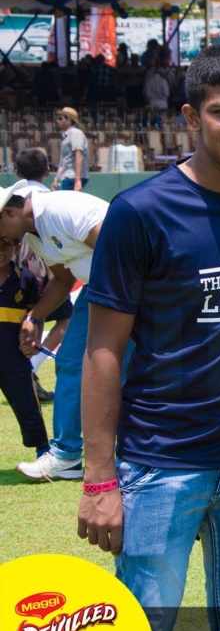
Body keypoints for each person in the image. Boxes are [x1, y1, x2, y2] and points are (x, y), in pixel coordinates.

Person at [75, 43, 220, 631]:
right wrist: (99, 479)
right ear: (192, 117)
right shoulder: (139, 212)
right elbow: (103, 349)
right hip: (160, 465)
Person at [0, 182, 110, 481]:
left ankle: (139, 453)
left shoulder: (61, 209)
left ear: (9, 213)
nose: (2, 239)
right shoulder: (35, 236)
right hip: (96, 291)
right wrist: (34, 317)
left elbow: (119, 252)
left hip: (132, 289)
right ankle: (66, 456)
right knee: (70, 363)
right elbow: (62, 280)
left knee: (129, 372)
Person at [11, 148, 72, 403]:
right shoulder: (50, 199)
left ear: (16, 172)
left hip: (12, 271)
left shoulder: (12, 200)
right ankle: (30, 369)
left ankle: (24, 373)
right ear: (48, 171)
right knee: (65, 319)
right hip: (46, 270)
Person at [0, 237, 46, 460]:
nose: (0, 251)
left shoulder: (25, 279)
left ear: (17, 247)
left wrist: (34, 341)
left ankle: (43, 452)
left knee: (28, 406)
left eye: (5, 245)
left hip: (14, 358)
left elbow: (37, 314)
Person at [53, 107, 89, 192]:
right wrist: (56, 179)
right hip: (66, 177)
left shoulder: (75, 133)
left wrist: (77, 181)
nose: (57, 121)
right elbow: (63, 161)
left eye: (60, 118)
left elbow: (79, 157)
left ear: (68, 120)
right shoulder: (66, 136)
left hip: (72, 177)